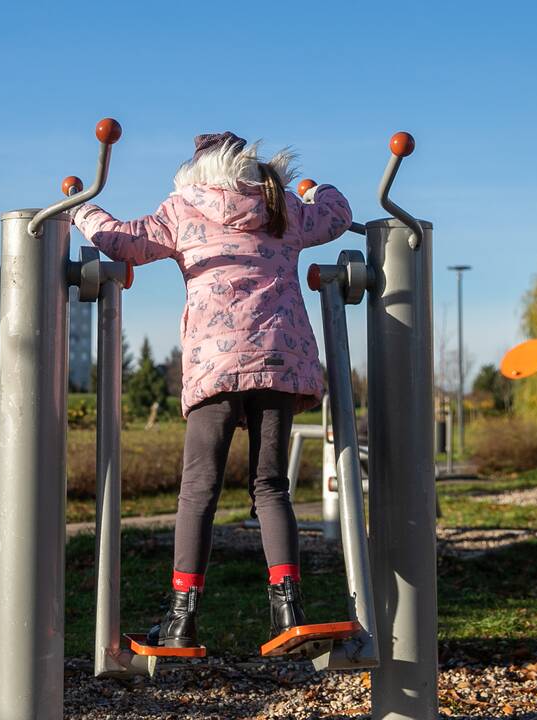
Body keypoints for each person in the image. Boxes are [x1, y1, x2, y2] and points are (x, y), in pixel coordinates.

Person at [71, 132, 351, 648]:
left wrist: (81, 209)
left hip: (215, 366)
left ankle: (181, 619)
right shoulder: (281, 208)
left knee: (198, 490)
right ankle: (287, 612)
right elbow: (336, 213)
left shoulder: (182, 210)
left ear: (196, 170)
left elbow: (119, 240)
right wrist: (316, 189)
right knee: (270, 486)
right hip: (278, 362)